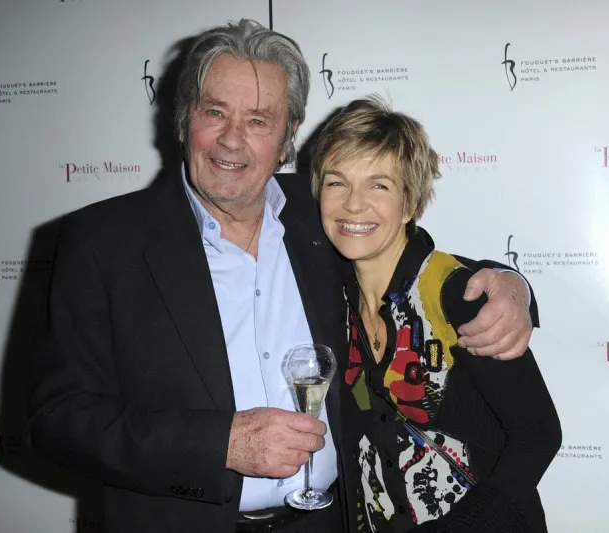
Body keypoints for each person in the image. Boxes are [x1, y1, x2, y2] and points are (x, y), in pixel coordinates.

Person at [26, 19, 539, 533]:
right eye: (215, 112)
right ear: (184, 120)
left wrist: (507, 284)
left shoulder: (322, 217)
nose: (232, 140)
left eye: (258, 120)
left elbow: (405, 253)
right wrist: (221, 444)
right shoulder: (101, 241)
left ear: (288, 138)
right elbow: (57, 421)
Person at [309, 95, 561, 533]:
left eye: (379, 185)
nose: (353, 204)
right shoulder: (329, 296)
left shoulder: (453, 294)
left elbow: (538, 433)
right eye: (336, 182)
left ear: (410, 203)